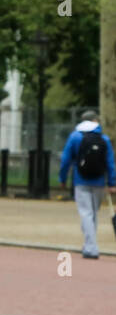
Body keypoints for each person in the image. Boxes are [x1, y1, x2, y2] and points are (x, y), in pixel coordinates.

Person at [57, 110, 116, 259]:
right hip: (99, 181)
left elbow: (65, 160)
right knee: (92, 214)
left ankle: (91, 247)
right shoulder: (104, 138)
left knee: (86, 213)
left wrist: (62, 178)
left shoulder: (75, 136)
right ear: (95, 120)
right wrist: (112, 183)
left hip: (81, 180)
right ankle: (90, 243)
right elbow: (110, 163)